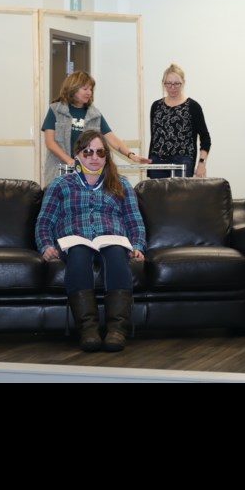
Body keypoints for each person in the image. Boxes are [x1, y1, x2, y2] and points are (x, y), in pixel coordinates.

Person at [36, 129, 146, 352]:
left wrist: (137, 245)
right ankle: (88, 330)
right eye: (88, 152)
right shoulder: (60, 185)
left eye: (100, 152)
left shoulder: (121, 184)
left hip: (112, 237)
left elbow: (135, 220)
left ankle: (117, 330)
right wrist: (46, 245)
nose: (95, 157)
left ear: (106, 155)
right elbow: (44, 221)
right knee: (78, 255)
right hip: (75, 239)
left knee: (116, 255)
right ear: (78, 154)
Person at [41, 70, 149, 186]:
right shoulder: (55, 110)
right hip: (59, 171)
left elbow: (111, 138)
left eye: (91, 89)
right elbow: (50, 142)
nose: (89, 93)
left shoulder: (94, 114)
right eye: (85, 89)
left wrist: (130, 155)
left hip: (87, 173)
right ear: (73, 88)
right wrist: (69, 161)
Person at [147, 64, 211, 178]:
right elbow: (154, 138)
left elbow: (205, 138)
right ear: (163, 83)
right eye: (168, 83)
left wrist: (202, 163)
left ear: (183, 83)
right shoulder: (156, 106)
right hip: (157, 163)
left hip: (183, 161)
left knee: (180, 196)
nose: (172, 87)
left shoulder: (193, 106)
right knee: (157, 196)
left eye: (177, 83)